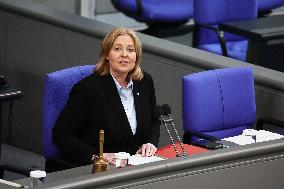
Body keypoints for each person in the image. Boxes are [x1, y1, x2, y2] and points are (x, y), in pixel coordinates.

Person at [53, 27, 160, 167]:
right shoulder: (88, 89)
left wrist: (150, 143)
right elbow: (61, 135)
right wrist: (98, 156)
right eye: (117, 49)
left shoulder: (144, 82)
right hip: (100, 169)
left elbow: (154, 120)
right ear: (106, 55)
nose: (124, 55)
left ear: (137, 56)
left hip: (136, 164)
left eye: (130, 50)